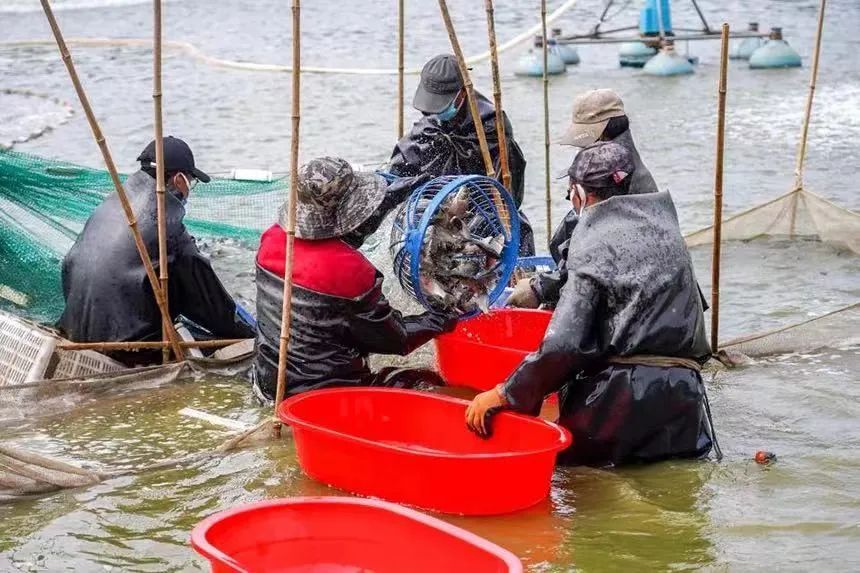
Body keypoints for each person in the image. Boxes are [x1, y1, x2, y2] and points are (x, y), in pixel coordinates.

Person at [465, 141, 714, 467]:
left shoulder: (594, 237)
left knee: (580, 486)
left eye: (571, 192)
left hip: (624, 399)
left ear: (581, 194)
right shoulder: (664, 226)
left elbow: (566, 343)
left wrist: (507, 393)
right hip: (686, 402)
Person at [253, 157, 458, 402]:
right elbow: (396, 338)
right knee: (424, 383)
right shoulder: (349, 270)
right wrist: (445, 315)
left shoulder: (272, 239)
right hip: (323, 395)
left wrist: (390, 199)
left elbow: (335, 241)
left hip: (268, 382)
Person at [58, 137, 255, 365]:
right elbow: (212, 306)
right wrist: (254, 333)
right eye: (191, 181)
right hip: (127, 352)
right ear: (180, 180)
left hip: (76, 334)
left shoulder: (110, 207)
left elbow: (68, 267)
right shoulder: (167, 227)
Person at [506, 88, 656, 308]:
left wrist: (540, 288)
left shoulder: (620, 178)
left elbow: (595, 257)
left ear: (601, 132)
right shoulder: (614, 163)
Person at [389, 54, 535, 255]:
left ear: (462, 93)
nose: (435, 113)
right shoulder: (427, 129)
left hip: (482, 215)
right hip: (434, 214)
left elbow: (508, 190)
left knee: (506, 234)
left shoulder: (490, 127)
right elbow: (399, 171)